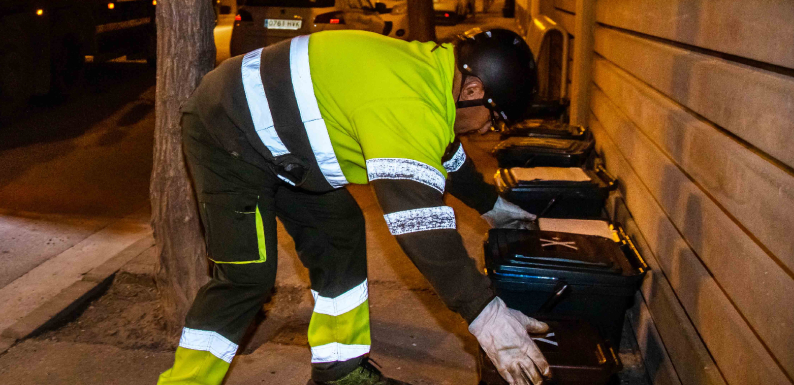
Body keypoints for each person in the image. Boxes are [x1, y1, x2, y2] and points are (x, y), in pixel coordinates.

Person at [156, 28, 552, 385]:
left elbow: (449, 156)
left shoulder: (432, 76)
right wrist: (484, 313)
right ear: (472, 91)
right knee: (246, 276)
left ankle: (338, 370)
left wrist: (493, 208)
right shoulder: (407, 103)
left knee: (339, 230)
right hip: (227, 131)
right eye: (493, 118)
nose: (487, 130)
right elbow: (420, 224)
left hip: (285, 141)